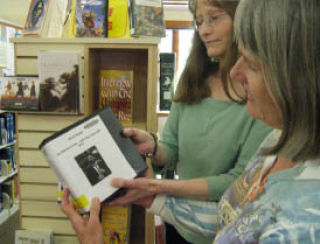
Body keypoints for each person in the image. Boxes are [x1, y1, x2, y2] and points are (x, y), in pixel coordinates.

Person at [62, 0, 320, 243]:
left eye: (252, 64)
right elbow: (235, 220)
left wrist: (157, 189)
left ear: (294, 74)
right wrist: (153, 186)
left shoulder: (301, 219)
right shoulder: (277, 142)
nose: (235, 72)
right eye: (199, 22)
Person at [107, 0, 271, 243]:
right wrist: (152, 146)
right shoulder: (192, 77)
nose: (204, 30)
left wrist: (159, 189)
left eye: (214, 18)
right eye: (199, 21)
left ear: (242, 20)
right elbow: (171, 150)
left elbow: (238, 182)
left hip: (224, 231)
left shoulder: (261, 94)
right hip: (179, 223)